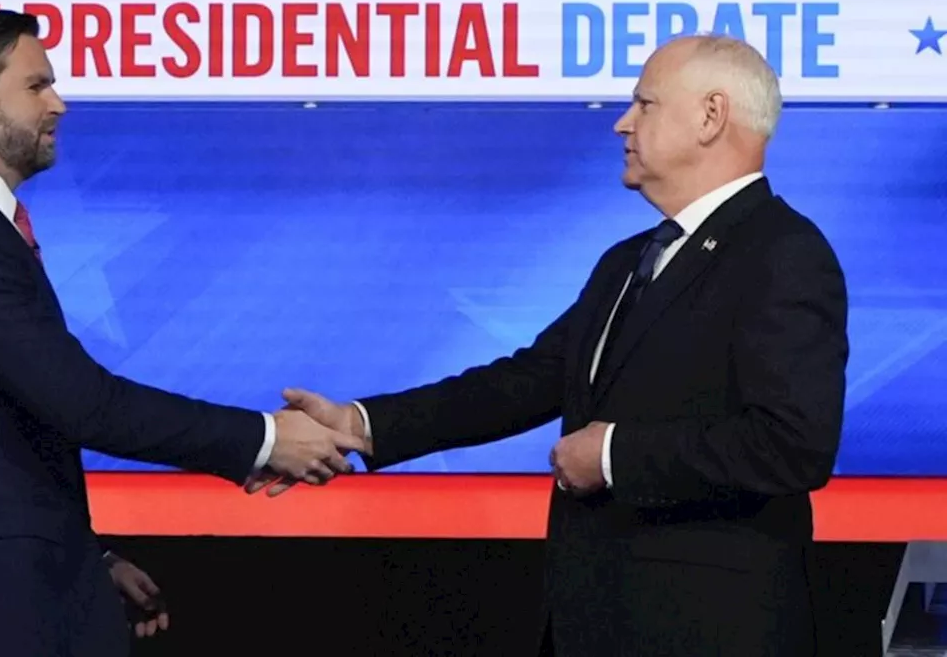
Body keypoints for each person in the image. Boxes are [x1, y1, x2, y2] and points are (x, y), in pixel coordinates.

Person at [259, 35, 848, 656]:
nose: (623, 122)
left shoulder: (783, 254)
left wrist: (615, 454)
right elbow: (529, 380)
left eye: (644, 104)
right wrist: (362, 423)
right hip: (590, 625)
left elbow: (793, 446)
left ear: (710, 116)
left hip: (709, 632)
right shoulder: (628, 260)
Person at [0, 6, 366, 657]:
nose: (59, 104)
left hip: (0, 594)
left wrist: (84, 561)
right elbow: (82, 403)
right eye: (36, 85)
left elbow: (4, 429)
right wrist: (264, 439)